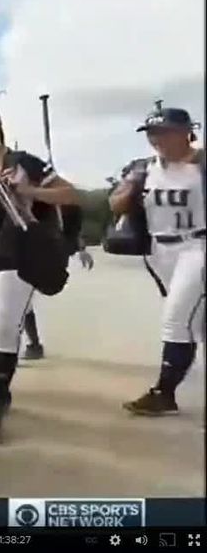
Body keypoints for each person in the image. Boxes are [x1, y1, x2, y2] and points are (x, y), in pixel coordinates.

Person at [0, 104, 79, 443]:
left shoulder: (23, 162)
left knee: (3, 323)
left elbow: (70, 194)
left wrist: (29, 191)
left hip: (18, 251)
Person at [110, 107, 205, 416]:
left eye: (164, 132)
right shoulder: (143, 168)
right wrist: (128, 189)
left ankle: (163, 393)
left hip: (198, 245)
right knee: (197, 324)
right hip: (160, 252)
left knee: (176, 319)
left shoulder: (202, 163)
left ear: (185, 132)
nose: (157, 139)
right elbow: (117, 203)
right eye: (152, 133)